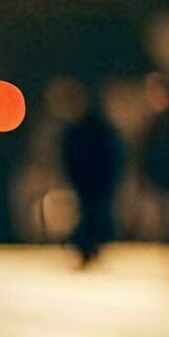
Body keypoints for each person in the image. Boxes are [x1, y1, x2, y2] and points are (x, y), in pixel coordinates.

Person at [61, 89, 122, 265]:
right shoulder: (90, 128)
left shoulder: (89, 129)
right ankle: (88, 247)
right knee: (91, 214)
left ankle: (88, 247)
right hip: (90, 181)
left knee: (92, 215)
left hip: (93, 181)